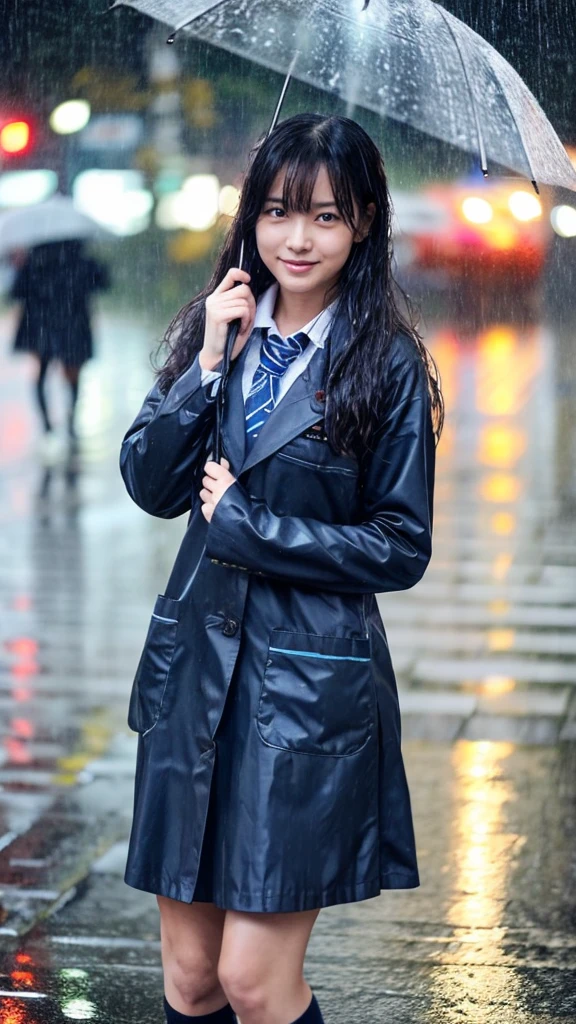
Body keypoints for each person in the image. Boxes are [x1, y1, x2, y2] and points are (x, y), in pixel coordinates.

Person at [120, 113, 443, 1024]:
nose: (297, 239)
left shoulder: (385, 365)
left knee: (255, 984)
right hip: (193, 681)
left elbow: (399, 545)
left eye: (327, 217)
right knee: (189, 982)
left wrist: (252, 527)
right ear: (250, 218)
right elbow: (150, 480)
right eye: (277, 212)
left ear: (366, 224)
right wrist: (209, 360)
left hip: (304, 693)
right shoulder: (216, 328)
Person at [11, 238, 109, 445]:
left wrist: (21, 267)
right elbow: (103, 283)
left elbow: (16, 292)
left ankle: (48, 427)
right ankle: (70, 424)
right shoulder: (80, 256)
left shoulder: (35, 258)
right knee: (72, 376)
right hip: (72, 324)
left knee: (41, 374)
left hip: (41, 325)